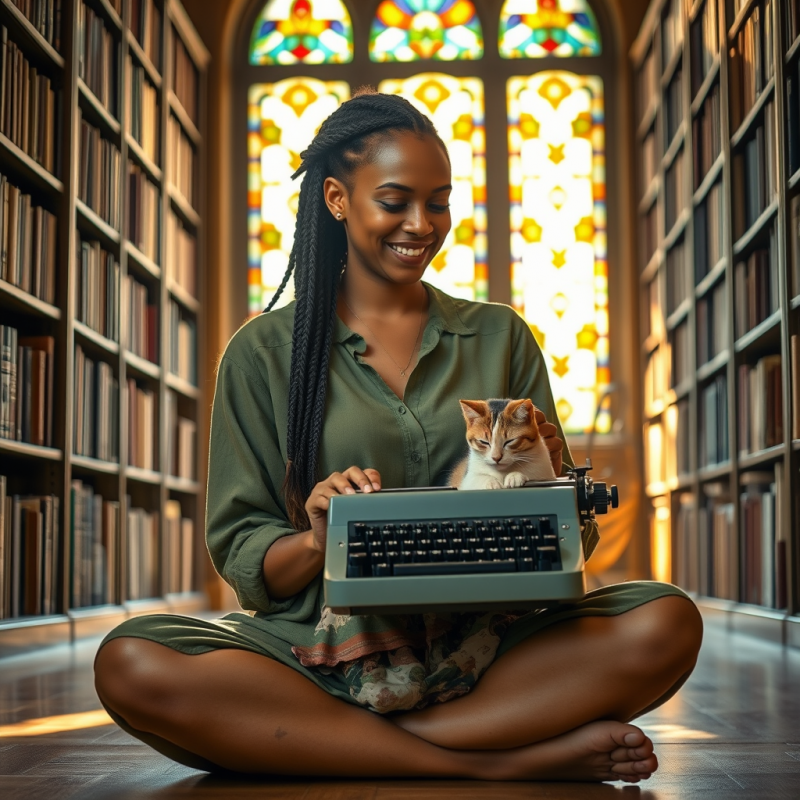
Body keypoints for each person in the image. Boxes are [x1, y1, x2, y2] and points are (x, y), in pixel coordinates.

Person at [94, 89, 703, 782]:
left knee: (667, 621)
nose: (423, 223)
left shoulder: (502, 336)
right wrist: (320, 538)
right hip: (320, 649)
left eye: (439, 201)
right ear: (335, 198)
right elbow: (243, 555)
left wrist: (545, 505)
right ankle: (491, 763)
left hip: (492, 645)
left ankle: (342, 745)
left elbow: (573, 544)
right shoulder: (262, 352)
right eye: (395, 200)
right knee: (131, 661)